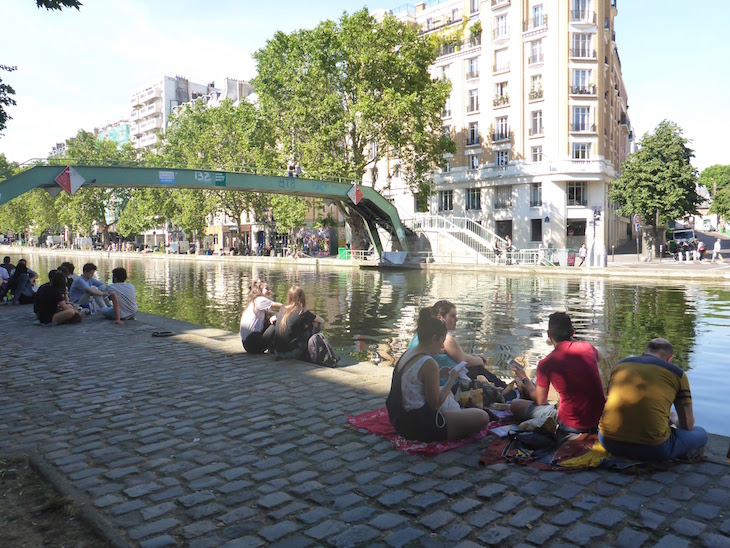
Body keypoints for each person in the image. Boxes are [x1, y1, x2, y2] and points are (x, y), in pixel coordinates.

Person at [386, 307, 492, 442]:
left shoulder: (408, 354)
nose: (442, 347)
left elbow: (414, 381)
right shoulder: (429, 363)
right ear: (434, 338)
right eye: (442, 342)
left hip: (400, 418)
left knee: (448, 394)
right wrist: (451, 379)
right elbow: (434, 404)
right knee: (482, 417)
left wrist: (440, 375)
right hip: (418, 425)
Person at [598, 338, 708, 460]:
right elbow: (687, 425)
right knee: (700, 433)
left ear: (644, 354)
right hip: (654, 449)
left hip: (607, 441)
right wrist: (673, 418)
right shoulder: (677, 374)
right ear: (670, 359)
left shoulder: (620, 365)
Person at [510, 311, 605, 433]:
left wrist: (524, 378)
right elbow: (600, 357)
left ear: (549, 334)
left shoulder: (546, 363)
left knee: (515, 404)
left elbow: (540, 401)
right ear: (572, 332)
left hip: (571, 425)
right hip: (599, 419)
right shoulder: (588, 348)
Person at [407, 300, 515, 397]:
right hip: (447, 384)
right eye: (452, 316)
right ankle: (510, 393)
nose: (456, 319)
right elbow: (465, 360)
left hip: (434, 380)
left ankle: (507, 390)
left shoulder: (418, 335)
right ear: (440, 317)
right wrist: (480, 360)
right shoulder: (446, 339)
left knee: (475, 369)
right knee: (477, 368)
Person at [272, 286, 324, 360]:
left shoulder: (282, 309)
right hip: (290, 353)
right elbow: (322, 320)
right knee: (317, 324)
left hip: (277, 352)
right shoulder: (302, 312)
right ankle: (311, 352)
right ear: (302, 298)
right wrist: (312, 321)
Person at [240, 280, 282, 353]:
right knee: (278, 321)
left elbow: (269, 313)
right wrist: (294, 307)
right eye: (267, 289)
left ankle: (273, 347)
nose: (269, 291)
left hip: (247, 344)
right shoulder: (260, 300)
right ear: (259, 291)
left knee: (273, 319)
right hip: (254, 345)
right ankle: (278, 349)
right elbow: (281, 307)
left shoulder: (253, 301)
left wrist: (273, 315)